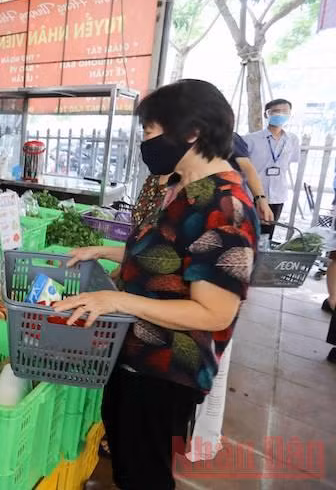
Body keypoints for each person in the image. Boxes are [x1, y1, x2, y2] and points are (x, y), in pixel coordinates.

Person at [65, 79, 258, 490]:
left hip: (169, 367)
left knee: (146, 471)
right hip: (136, 351)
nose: (145, 143)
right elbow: (165, 255)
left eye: (150, 132)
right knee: (124, 444)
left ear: (190, 132)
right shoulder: (179, 186)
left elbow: (214, 312)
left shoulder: (226, 208)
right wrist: (102, 251)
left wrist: (119, 302)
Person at [243, 99, 301, 237]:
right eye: (275, 111)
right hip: (252, 195)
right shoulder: (250, 139)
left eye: (284, 111)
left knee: (267, 234)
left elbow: (290, 161)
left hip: (277, 195)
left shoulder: (292, 140)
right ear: (266, 115)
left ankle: (263, 257)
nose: (280, 114)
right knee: (248, 231)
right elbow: (244, 167)